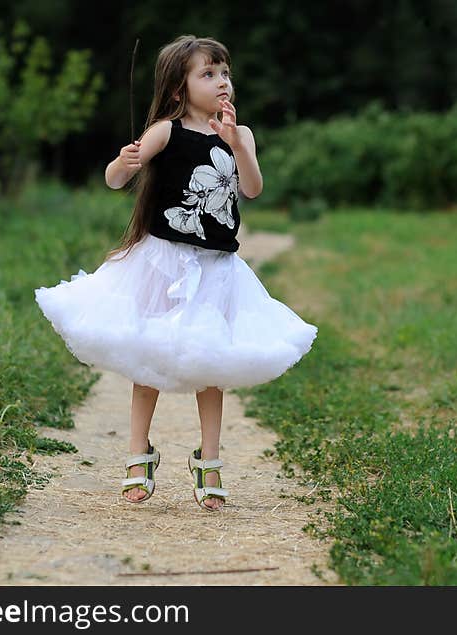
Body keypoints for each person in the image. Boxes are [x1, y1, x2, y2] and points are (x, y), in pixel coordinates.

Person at [34, 35, 318, 511]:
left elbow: (252, 187)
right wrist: (120, 166)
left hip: (216, 269)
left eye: (224, 71)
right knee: (148, 357)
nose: (221, 81)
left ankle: (209, 461)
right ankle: (137, 454)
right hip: (162, 261)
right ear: (178, 90)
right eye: (207, 74)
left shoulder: (239, 134)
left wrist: (235, 144)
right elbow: (116, 179)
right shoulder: (166, 130)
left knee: (212, 364)